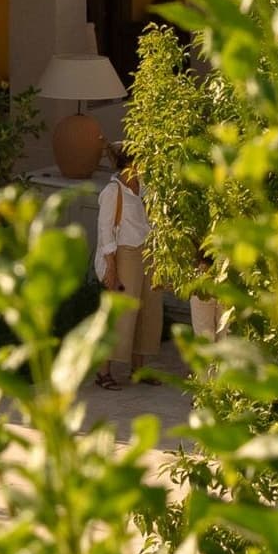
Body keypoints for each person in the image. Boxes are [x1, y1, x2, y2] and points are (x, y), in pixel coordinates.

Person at [93, 140, 155, 384]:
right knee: (121, 314)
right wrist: (111, 267)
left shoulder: (145, 186)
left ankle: (139, 370)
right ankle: (103, 371)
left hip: (147, 252)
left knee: (148, 312)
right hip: (124, 254)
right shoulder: (112, 191)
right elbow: (105, 230)